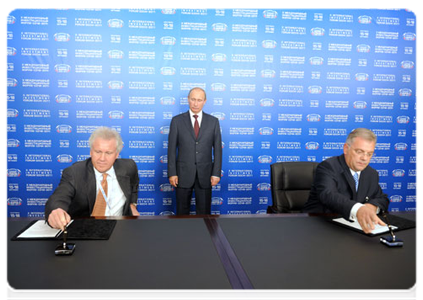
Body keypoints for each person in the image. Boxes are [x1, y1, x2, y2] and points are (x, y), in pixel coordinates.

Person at [45, 126, 140, 229]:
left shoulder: (129, 166)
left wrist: (132, 204)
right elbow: (58, 197)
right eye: (98, 152)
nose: (102, 158)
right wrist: (56, 211)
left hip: (120, 228)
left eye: (108, 153)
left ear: (117, 154)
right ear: (91, 152)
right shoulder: (74, 173)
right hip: (85, 230)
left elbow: (133, 185)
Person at [302, 128, 389, 234]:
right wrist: (359, 209)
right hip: (318, 227)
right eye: (359, 152)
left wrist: (372, 207)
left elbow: (382, 198)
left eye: (369, 154)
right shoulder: (328, 167)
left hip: (351, 230)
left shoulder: (371, 173)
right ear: (346, 148)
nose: (364, 158)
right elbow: (328, 194)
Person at [168, 87, 222, 215]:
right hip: (182, 174)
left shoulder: (213, 122)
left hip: (205, 175)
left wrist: (216, 173)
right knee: (182, 212)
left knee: (204, 214)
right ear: (188, 100)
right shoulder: (177, 121)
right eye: (193, 99)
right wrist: (172, 173)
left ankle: (204, 235)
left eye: (199, 100)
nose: (196, 103)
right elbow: (171, 149)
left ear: (205, 101)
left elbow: (218, 150)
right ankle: (182, 235)